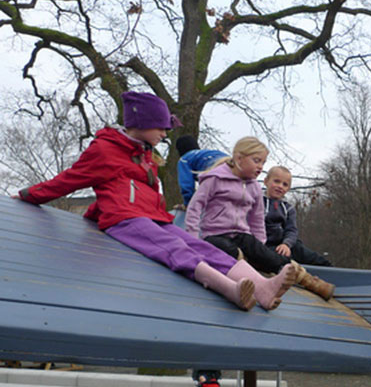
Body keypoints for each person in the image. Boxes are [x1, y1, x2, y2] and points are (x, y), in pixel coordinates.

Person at [15, 91, 296, 311]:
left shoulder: (144, 153)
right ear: (142, 124)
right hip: (126, 222)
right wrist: (29, 195)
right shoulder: (104, 150)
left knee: (198, 244)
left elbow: (119, 190)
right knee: (172, 247)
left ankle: (262, 287)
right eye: (161, 128)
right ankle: (230, 289)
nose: (164, 134)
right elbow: (69, 180)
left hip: (154, 217)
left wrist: (94, 214)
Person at [184, 137, 333, 300]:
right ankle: (249, 271)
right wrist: (193, 238)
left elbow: (257, 219)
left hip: (242, 235)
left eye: (263, 162)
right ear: (239, 158)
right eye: (256, 161)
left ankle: (307, 279)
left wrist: (260, 246)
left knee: (269, 257)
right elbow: (195, 207)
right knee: (225, 250)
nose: (260, 167)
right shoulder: (215, 179)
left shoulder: (254, 187)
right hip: (215, 234)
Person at [262, 166, 332, 267]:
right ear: (266, 181)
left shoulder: (288, 209)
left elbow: (291, 230)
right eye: (276, 181)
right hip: (266, 245)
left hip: (286, 244)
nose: (280, 186)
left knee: (304, 252)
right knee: (281, 259)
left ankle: (330, 270)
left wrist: (286, 244)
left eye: (285, 184)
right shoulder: (257, 203)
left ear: (288, 188)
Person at [174, 135, 227, 204]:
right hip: (229, 162)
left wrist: (189, 203)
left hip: (214, 168)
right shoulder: (205, 153)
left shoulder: (185, 159)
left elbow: (186, 184)